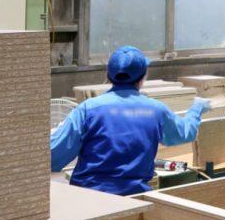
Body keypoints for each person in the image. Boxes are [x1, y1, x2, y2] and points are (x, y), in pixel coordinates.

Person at [50, 45, 210, 196]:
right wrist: (196, 109)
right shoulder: (156, 110)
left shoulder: (87, 110)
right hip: (135, 199)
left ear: (108, 75)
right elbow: (185, 133)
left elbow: (53, 156)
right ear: (143, 77)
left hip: (89, 199)